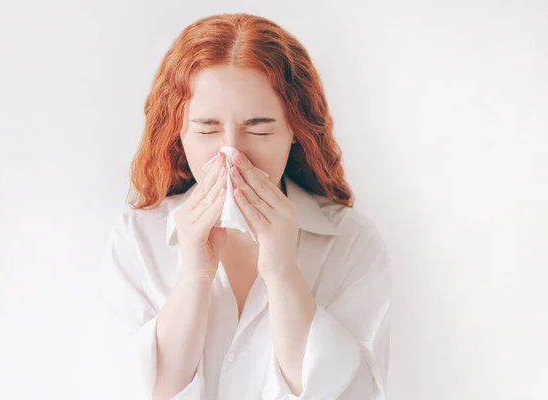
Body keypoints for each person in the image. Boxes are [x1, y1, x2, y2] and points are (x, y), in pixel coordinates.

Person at [98, 12, 391, 400]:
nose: (232, 154)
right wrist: (194, 279)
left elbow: (353, 393)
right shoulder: (137, 239)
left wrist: (283, 272)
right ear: (177, 134)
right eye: (207, 129)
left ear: (295, 132)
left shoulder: (352, 242)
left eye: (259, 129)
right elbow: (135, 391)